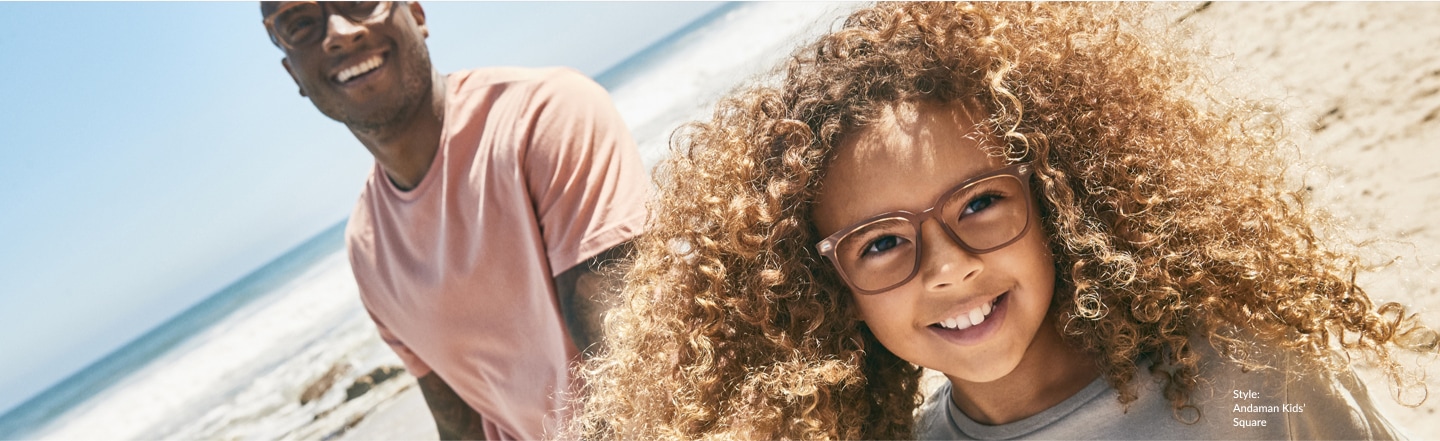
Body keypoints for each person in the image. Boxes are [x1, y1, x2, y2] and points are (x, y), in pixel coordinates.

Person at [569, 2, 1437, 439]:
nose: (945, 267)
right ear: (825, 292)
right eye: (881, 244)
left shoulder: (1245, 380)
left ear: (1056, 194)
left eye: (980, 202)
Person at [260, 2, 648, 439]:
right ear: (295, 76)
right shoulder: (368, 247)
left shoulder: (545, 116)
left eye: (360, 1)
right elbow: (460, 428)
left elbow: (637, 369)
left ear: (417, 15)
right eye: (300, 24)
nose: (339, 32)